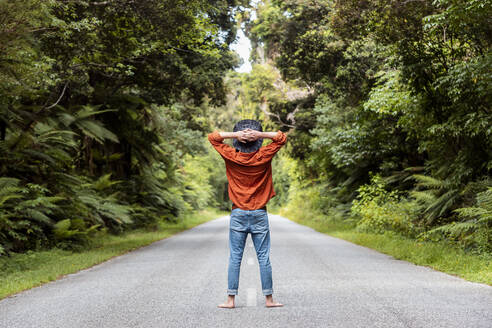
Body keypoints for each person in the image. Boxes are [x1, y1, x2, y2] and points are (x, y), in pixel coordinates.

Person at [207, 119, 287, 309]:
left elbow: (213, 138)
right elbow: (281, 138)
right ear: (257, 141)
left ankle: (230, 300)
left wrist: (235, 135)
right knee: (263, 257)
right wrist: (260, 134)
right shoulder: (265, 154)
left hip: (238, 213)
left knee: (235, 257)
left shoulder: (230, 155)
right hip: (259, 213)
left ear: (238, 141)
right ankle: (269, 300)